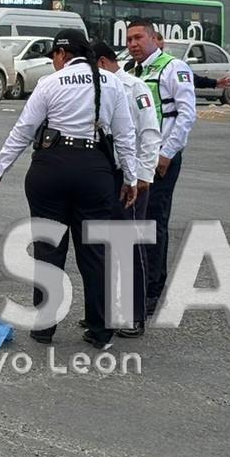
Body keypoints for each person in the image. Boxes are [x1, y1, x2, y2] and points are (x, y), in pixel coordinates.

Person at [0, 28, 137, 349]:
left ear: (62, 54)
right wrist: (132, 178)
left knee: (48, 249)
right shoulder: (112, 83)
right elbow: (125, 136)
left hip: (50, 170)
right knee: (95, 252)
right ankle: (100, 329)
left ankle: (44, 327)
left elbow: (24, 130)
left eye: (53, 55)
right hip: (94, 172)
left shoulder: (50, 83)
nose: (53, 61)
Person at [123, 17, 196, 320]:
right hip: (136, 160)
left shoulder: (172, 67)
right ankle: (133, 286)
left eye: (139, 37)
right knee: (131, 223)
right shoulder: (129, 71)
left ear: (155, 38)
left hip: (160, 160)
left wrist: (166, 153)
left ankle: (152, 289)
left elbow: (187, 114)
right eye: (129, 39)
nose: (133, 44)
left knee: (153, 223)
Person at [92, 38, 160, 337]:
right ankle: (106, 312)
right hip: (103, 176)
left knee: (128, 245)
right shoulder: (97, 88)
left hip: (129, 177)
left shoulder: (135, 88)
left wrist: (143, 176)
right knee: (102, 246)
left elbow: (149, 133)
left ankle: (134, 315)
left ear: (103, 63)